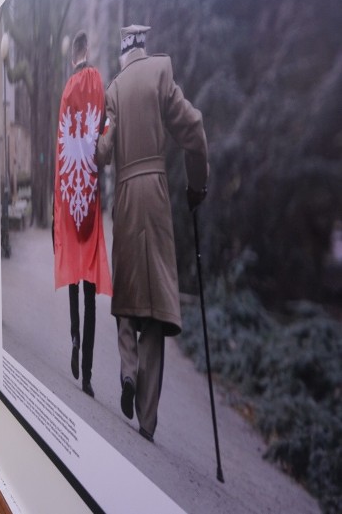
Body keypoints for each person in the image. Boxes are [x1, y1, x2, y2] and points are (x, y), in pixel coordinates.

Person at [95, 25, 209, 442]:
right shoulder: (162, 72)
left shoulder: (114, 90)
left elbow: (103, 152)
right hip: (157, 195)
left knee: (127, 293)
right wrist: (197, 186)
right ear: (144, 47)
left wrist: (91, 145)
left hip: (126, 197)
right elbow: (193, 130)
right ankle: (147, 417)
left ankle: (127, 371)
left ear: (122, 54)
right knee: (157, 302)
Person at [53, 31, 113, 399]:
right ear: (87, 51)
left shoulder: (65, 92)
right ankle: (88, 374)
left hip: (69, 190)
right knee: (90, 282)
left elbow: (60, 147)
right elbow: (104, 132)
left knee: (73, 274)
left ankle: (74, 338)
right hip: (89, 192)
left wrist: (58, 203)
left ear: (72, 54)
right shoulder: (97, 83)